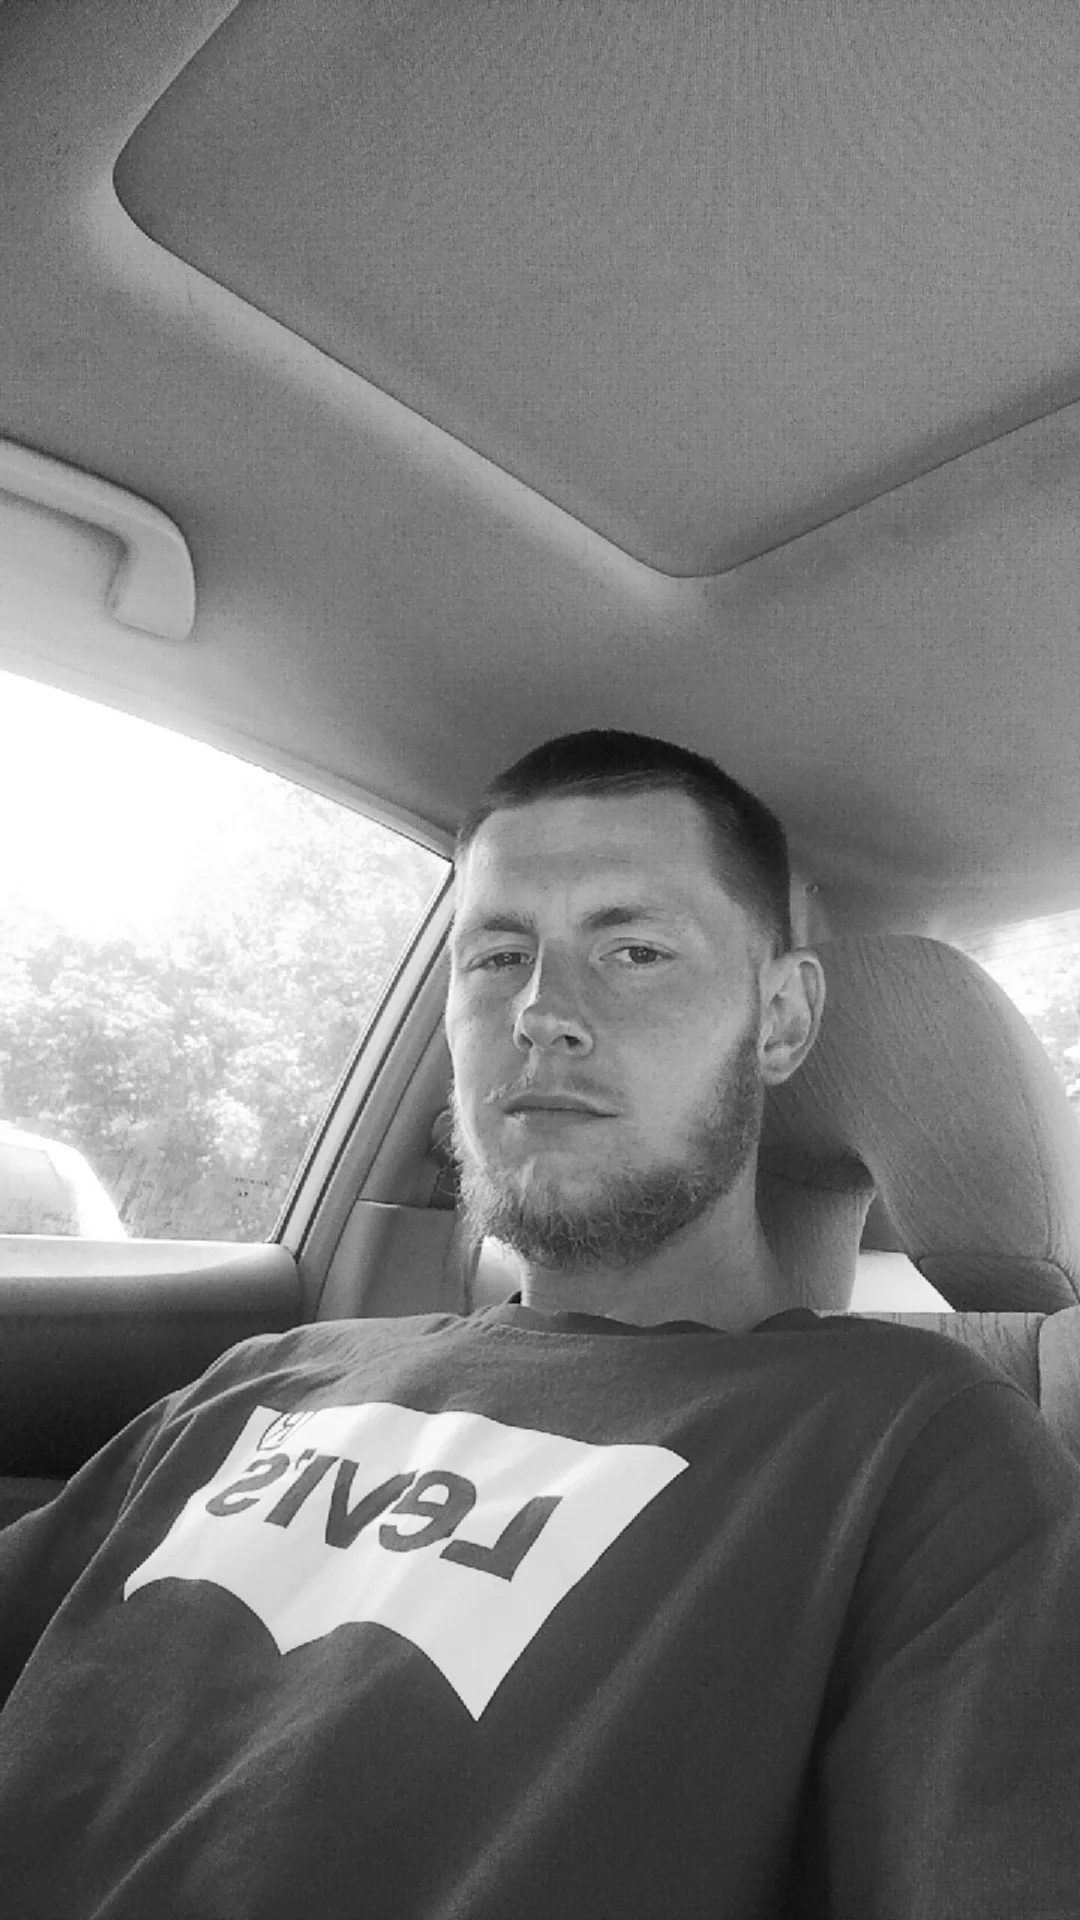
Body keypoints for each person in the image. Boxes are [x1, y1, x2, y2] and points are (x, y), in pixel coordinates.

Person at [1, 729, 1078, 1918]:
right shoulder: (263, 1379)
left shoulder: (919, 1456)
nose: (543, 1011)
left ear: (778, 1020)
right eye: (499, 955)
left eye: (634, 951)